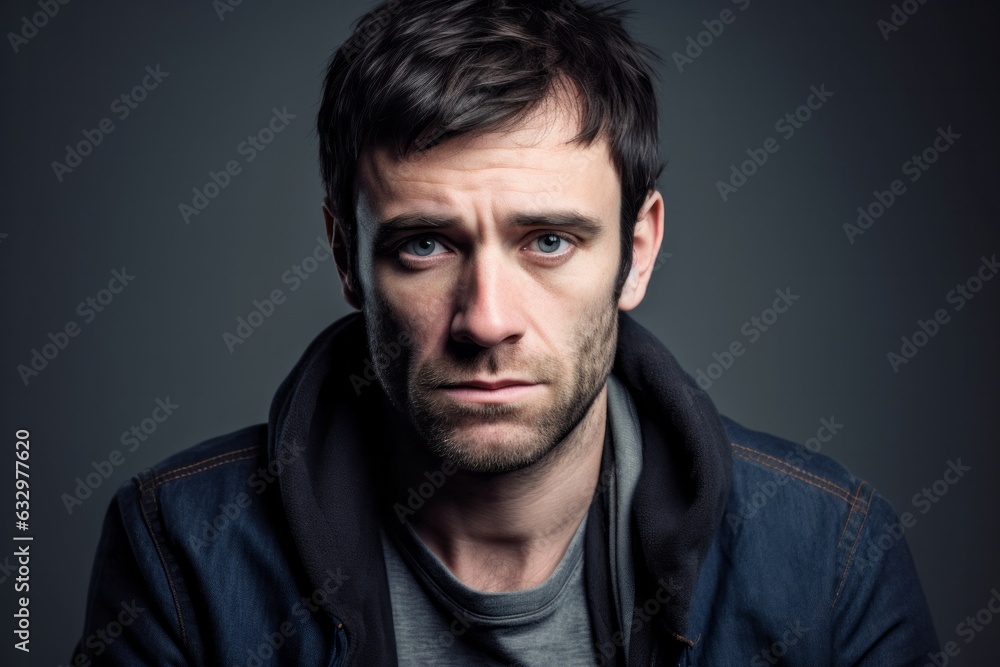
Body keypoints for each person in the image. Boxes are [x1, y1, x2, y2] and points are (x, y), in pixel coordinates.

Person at [73, 0, 939, 664]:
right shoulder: (181, 551)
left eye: (550, 241)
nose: (486, 319)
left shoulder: (830, 561)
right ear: (347, 256)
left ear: (637, 253)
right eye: (424, 245)